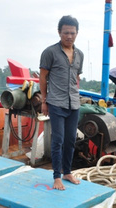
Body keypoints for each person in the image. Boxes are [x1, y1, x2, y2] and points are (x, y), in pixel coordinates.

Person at [39, 15, 84, 190]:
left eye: (72, 33)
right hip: (56, 102)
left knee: (71, 140)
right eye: (66, 33)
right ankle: (57, 175)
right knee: (57, 139)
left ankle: (67, 172)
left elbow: (77, 77)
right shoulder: (50, 52)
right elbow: (43, 77)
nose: (69, 36)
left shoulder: (79, 54)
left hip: (74, 103)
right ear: (59, 32)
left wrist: (76, 92)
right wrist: (44, 100)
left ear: (77, 33)